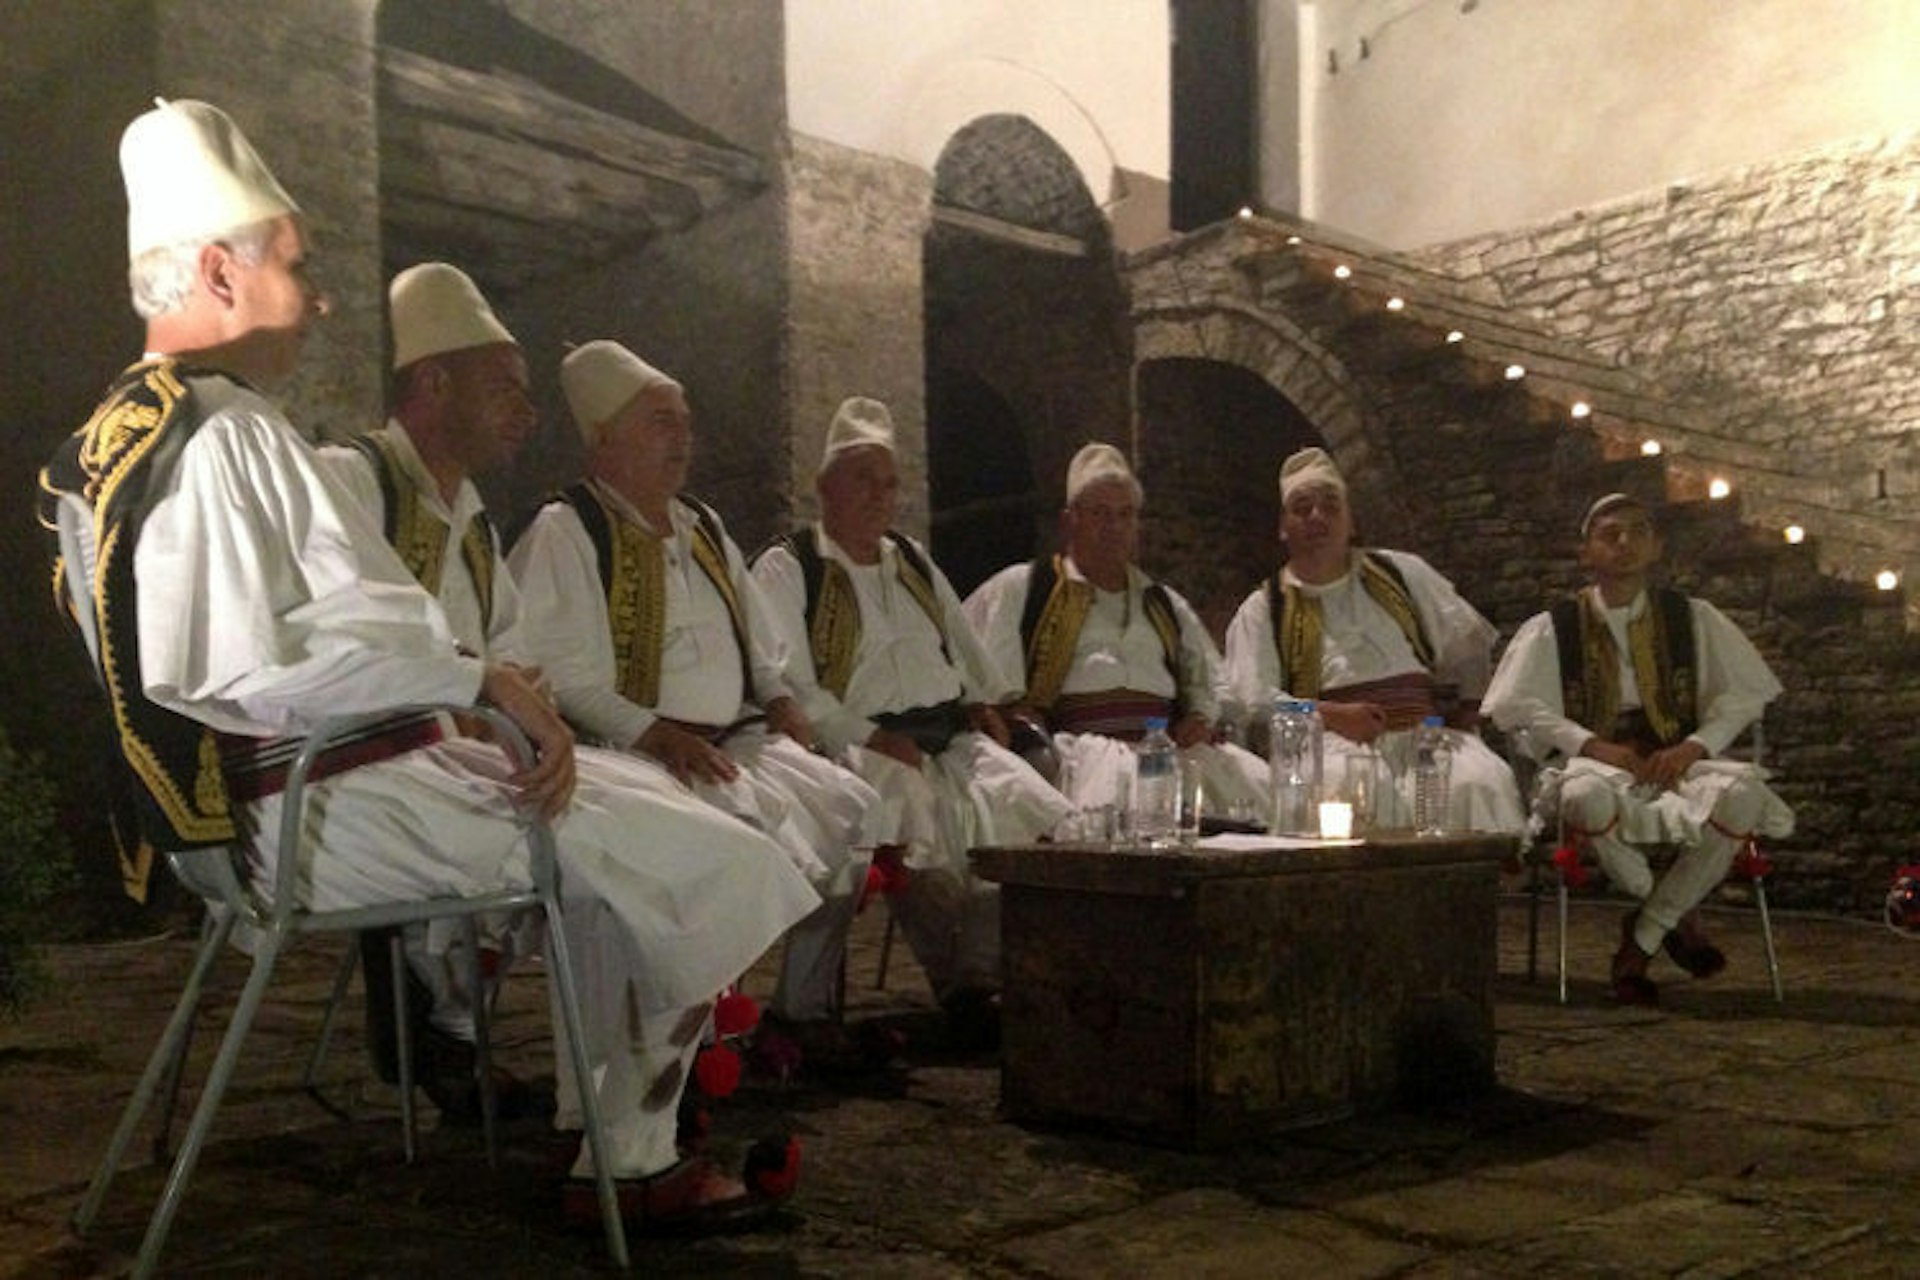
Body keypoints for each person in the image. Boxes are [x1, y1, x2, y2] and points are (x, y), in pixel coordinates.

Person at [41, 99, 817, 1229]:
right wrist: (477, 682)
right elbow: (259, 667)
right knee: (690, 845)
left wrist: (480, 693)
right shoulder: (223, 430)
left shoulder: (120, 431)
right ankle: (633, 1157)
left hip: (300, 790)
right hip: (314, 804)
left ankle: (616, 1128)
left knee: (643, 821)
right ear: (217, 270)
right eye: (298, 267)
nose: (319, 298)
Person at [506, 339, 887, 1066]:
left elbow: (762, 643)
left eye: (684, 420)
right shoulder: (568, 529)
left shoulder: (704, 527)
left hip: (728, 740)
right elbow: (563, 675)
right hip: (626, 755)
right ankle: (691, 1043)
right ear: (603, 438)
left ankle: (791, 1013)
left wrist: (780, 701)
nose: (681, 437)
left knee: (850, 808)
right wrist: (653, 734)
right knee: (730, 841)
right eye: (659, 421)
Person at [751, 397, 1072, 1044]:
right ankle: (804, 1011)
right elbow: (786, 680)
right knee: (897, 830)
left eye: (889, 480)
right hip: (855, 745)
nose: (879, 494)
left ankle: (976, 981)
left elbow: (964, 645)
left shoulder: (914, 562)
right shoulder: (791, 566)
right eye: (863, 477)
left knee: (1027, 814)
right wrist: (869, 737)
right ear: (825, 487)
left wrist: (986, 703)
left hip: (946, 735)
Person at [1483, 492, 1793, 1005]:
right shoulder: (1554, 627)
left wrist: (1695, 747)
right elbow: (1519, 706)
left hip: (1675, 760)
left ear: (1657, 547)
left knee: (1743, 797)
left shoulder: (1693, 618)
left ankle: (1642, 936)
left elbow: (1744, 696)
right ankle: (1670, 917)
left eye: (1637, 531)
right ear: (1586, 553)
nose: (1624, 542)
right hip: (1596, 763)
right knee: (1583, 799)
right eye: (1610, 534)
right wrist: (1591, 745)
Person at [1223, 447, 1525, 834]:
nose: (1316, 516)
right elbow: (1252, 700)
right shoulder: (1265, 608)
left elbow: (1467, 643)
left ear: (1351, 522)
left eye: (1330, 506)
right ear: (1283, 527)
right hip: (1328, 743)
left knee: (1477, 782)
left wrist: (1466, 716)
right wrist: (1328, 715)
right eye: (1302, 507)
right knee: (1354, 791)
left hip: (1421, 735)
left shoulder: (1401, 574)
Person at [964, 442, 1267, 825]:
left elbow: (1212, 681)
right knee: (1117, 810)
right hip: (1080, 753)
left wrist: (1200, 717)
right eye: (1100, 514)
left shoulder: (1164, 603)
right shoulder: (1024, 587)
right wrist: (1012, 715)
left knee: (1262, 790)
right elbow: (980, 670)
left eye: (1125, 515)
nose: (1115, 527)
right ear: (1070, 520)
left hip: (1166, 749)